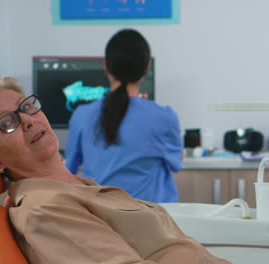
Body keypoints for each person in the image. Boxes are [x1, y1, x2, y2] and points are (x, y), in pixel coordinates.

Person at [0, 77, 230, 264]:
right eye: (7, 122)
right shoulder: (46, 210)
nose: (27, 120)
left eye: (26, 107)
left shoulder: (79, 188)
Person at [64, 29, 182, 203]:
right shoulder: (165, 117)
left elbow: (70, 168)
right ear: (147, 68)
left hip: (101, 219)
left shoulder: (82, 116)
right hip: (153, 221)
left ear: (106, 66)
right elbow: (176, 164)